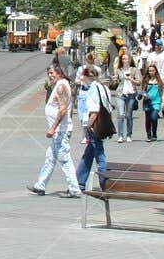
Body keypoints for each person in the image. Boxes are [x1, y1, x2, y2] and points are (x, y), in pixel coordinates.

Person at [28, 63, 81, 197]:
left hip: (60, 131)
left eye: (52, 73)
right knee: (50, 158)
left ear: (60, 73)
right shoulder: (60, 85)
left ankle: (74, 189)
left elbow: (63, 109)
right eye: (49, 73)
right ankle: (40, 185)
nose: (50, 76)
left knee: (64, 159)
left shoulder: (62, 86)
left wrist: (54, 127)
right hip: (60, 130)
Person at [75, 64, 115, 192]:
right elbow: (109, 107)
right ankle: (79, 183)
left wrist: (88, 126)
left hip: (95, 126)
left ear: (86, 77)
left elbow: (95, 111)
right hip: (103, 125)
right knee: (88, 154)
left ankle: (105, 183)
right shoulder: (103, 87)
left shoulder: (92, 89)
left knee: (99, 155)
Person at [114, 52, 139, 144]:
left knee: (129, 115)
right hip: (120, 94)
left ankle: (129, 135)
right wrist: (114, 80)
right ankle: (120, 135)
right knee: (121, 115)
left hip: (131, 94)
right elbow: (116, 81)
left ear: (130, 60)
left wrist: (131, 79)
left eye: (126, 59)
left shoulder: (134, 70)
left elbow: (139, 81)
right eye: (123, 59)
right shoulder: (119, 70)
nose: (124, 60)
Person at [141, 64, 163, 141]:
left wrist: (162, 102)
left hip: (156, 102)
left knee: (154, 117)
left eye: (152, 70)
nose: (151, 72)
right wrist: (144, 95)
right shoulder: (146, 80)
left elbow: (161, 92)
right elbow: (143, 90)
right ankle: (149, 135)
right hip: (147, 102)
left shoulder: (159, 80)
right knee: (147, 119)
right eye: (149, 71)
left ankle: (154, 133)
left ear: (155, 71)